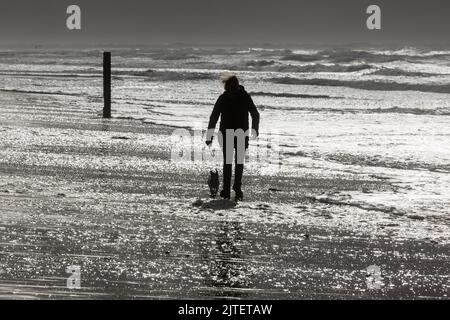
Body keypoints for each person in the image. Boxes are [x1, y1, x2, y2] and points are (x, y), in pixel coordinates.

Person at [205, 75, 260, 201]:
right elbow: (214, 117)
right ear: (226, 87)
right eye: (229, 88)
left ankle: (236, 187)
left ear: (237, 87)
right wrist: (209, 136)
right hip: (227, 134)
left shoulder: (244, 97)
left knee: (237, 162)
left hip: (241, 134)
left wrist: (255, 130)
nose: (231, 91)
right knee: (228, 162)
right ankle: (227, 190)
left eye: (233, 88)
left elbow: (255, 114)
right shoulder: (223, 98)